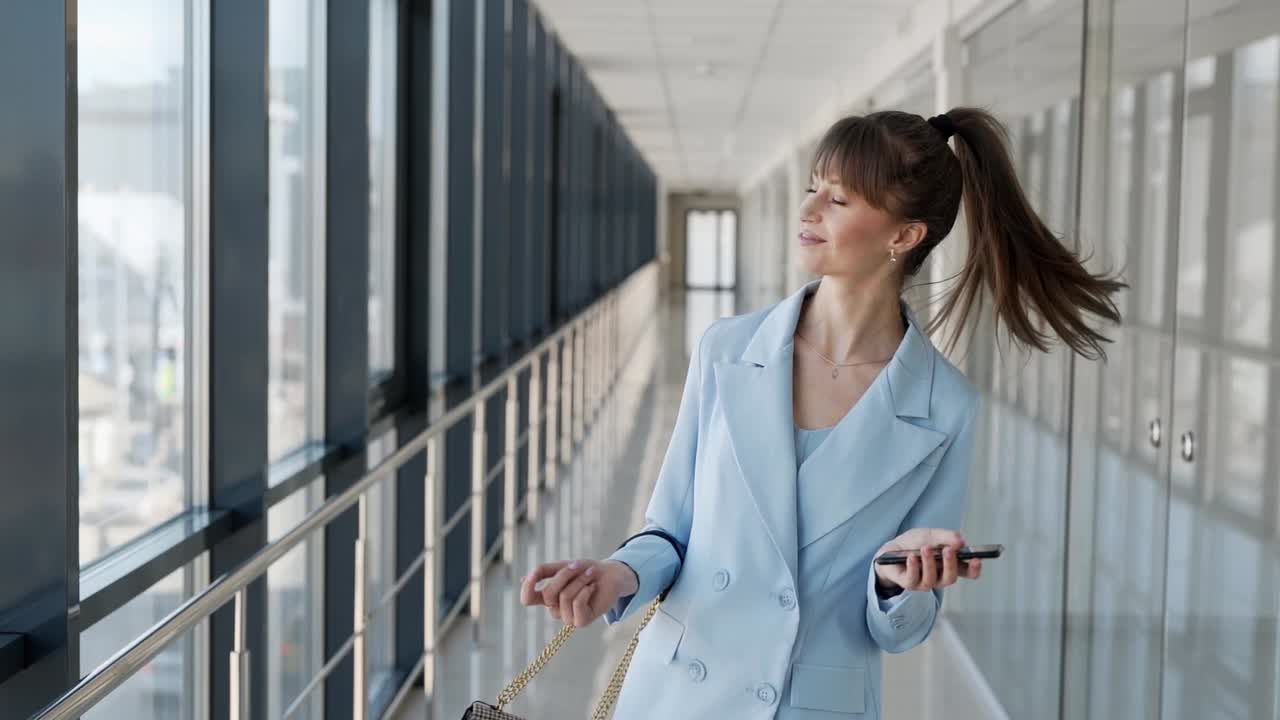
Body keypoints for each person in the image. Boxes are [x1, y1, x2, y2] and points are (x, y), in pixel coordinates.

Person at [519, 108, 1123, 719]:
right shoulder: (727, 350)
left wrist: (896, 583)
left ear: (904, 236)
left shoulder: (946, 407)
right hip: (679, 695)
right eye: (813, 188)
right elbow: (671, 531)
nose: (807, 210)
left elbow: (904, 630)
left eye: (838, 199)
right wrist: (617, 575)